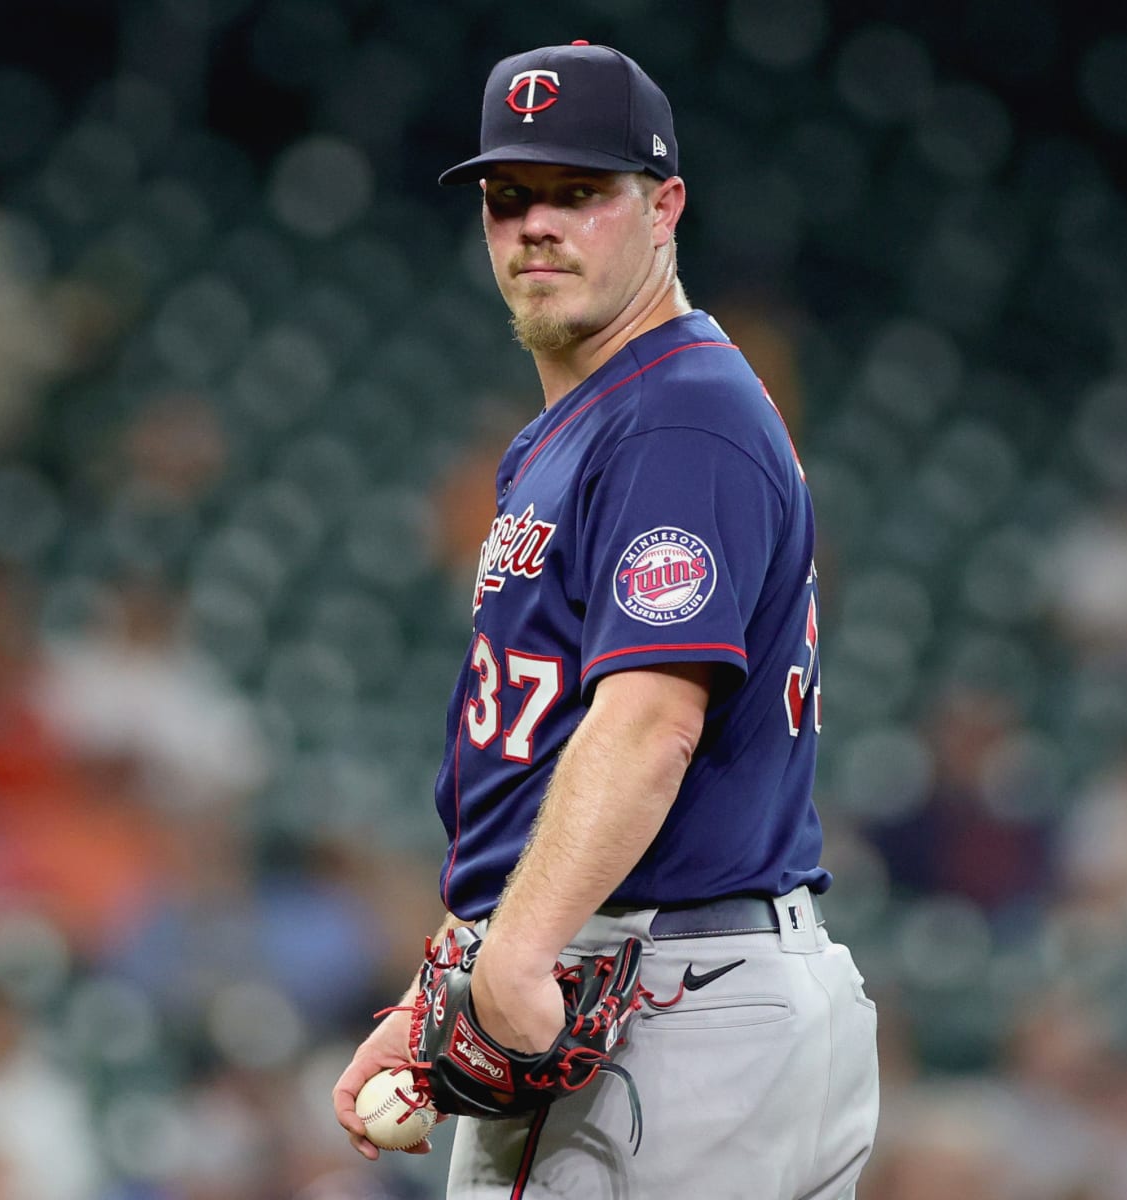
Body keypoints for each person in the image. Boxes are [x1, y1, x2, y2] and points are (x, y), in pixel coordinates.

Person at [332, 40, 879, 1199]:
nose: (537, 225)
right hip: (684, 986)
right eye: (509, 197)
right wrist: (452, 975)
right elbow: (531, 760)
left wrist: (517, 956)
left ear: (666, 205)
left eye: (580, 193)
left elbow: (645, 727)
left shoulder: (676, 415)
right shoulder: (592, 424)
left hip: (663, 991)